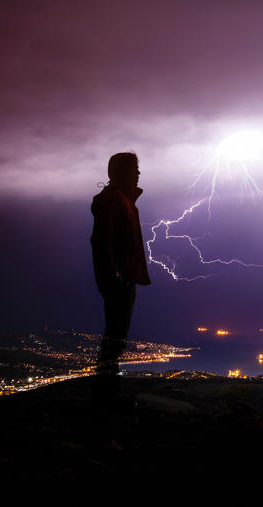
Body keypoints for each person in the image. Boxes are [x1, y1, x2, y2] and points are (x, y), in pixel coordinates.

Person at [90, 152, 151, 408]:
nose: (139, 174)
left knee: (117, 336)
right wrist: (115, 276)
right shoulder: (112, 200)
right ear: (120, 172)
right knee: (114, 337)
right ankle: (106, 397)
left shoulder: (123, 200)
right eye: (134, 169)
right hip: (120, 280)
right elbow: (101, 241)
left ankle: (108, 394)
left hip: (125, 278)